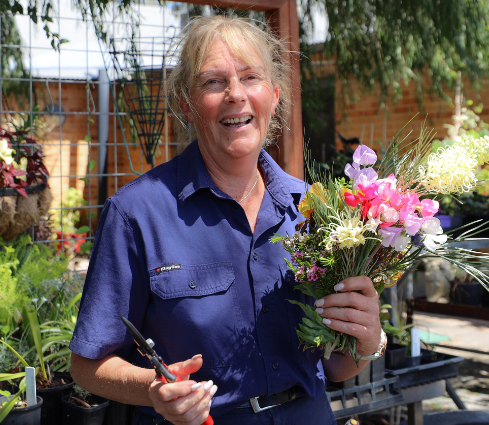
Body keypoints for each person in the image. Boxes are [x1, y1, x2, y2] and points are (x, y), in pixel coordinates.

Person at [69, 15, 386, 425]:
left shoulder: (314, 211)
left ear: (274, 96)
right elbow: (87, 364)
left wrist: (368, 337)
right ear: (186, 104)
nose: (235, 95)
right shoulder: (137, 214)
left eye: (250, 77)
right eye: (213, 82)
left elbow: (339, 367)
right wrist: (153, 389)